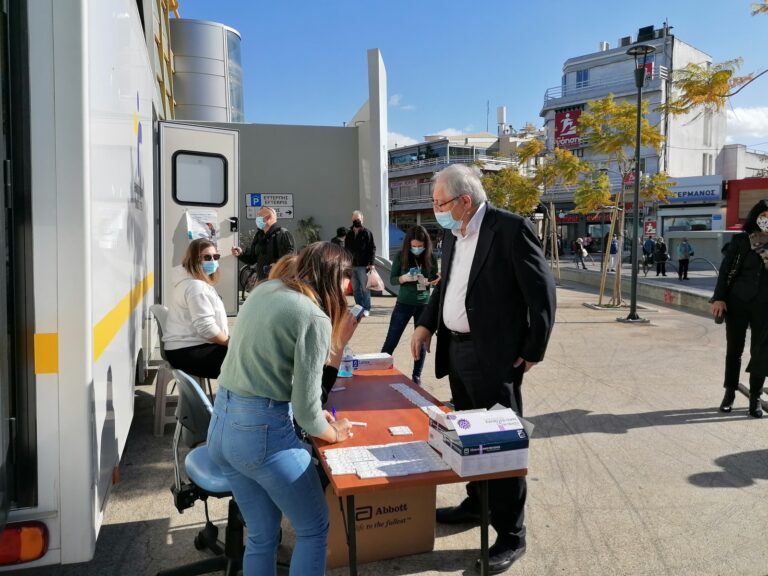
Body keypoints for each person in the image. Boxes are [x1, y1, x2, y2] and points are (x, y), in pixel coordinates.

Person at [410, 164, 556, 574]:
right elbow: (447, 287)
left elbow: (542, 293)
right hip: (457, 351)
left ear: (464, 200)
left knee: (501, 444)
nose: (436, 210)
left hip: (495, 356)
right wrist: (425, 324)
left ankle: (511, 533)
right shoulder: (453, 234)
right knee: (469, 436)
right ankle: (478, 503)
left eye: (440, 203)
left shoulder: (509, 229)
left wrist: (534, 349)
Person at [207, 242, 360, 575]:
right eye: (346, 277)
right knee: (313, 529)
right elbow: (307, 413)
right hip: (260, 437)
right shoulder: (313, 316)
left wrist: (313, 415)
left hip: (221, 427)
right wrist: (334, 432)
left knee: (261, 536)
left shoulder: (266, 289)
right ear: (333, 277)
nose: (348, 285)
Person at [711, 199, 768, 418]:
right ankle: (729, 393)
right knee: (734, 350)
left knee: (761, 352)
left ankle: (755, 397)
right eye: (764, 215)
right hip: (737, 302)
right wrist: (719, 298)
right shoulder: (742, 240)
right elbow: (726, 270)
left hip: (764, 306)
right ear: (756, 217)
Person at [381, 225, 440, 385]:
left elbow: (434, 277)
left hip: (424, 304)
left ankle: (416, 376)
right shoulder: (401, 256)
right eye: (414, 246)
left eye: (420, 246)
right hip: (404, 303)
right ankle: (380, 370)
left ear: (426, 245)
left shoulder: (430, 257)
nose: (417, 249)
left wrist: (434, 280)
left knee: (420, 342)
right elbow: (392, 279)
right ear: (408, 244)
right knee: (392, 339)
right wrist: (404, 278)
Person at [163, 239, 229, 379]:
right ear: (194, 260)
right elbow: (206, 327)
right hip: (188, 351)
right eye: (207, 257)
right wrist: (230, 342)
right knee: (247, 362)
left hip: (183, 349)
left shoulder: (190, 282)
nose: (213, 261)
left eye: (215, 257)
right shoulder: (196, 287)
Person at [231, 207, 295, 283]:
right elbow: (252, 259)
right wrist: (241, 254)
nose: (257, 219)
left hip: (278, 282)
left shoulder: (283, 234)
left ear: (268, 218)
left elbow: (290, 260)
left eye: (259, 216)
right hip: (262, 281)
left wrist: (277, 266)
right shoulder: (259, 235)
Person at [344, 210, 376, 316]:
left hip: (363, 265)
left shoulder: (367, 233)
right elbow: (346, 249)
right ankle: (359, 307)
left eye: (358, 219)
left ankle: (367, 308)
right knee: (355, 289)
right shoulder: (349, 233)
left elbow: (372, 248)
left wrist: (371, 263)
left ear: (362, 219)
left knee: (365, 288)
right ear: (352, 219)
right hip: (352, 265)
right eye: (354, 219)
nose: (356, 221)